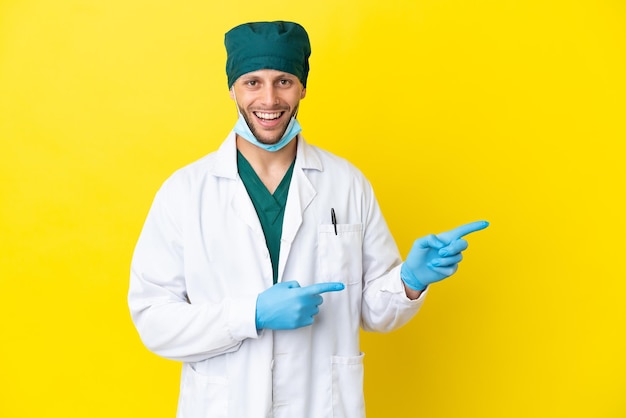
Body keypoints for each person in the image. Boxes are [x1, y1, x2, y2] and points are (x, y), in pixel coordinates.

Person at [128, 21, 488, 418]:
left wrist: (409, 281)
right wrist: (252, 314)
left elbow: (371, 311)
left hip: (322, 405)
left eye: (284, 81)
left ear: (302, 87)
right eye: (252, 82)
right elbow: (155, 320)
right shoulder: (185, 192)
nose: (269, 98)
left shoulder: (346, 183)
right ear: (232, 88)